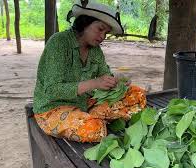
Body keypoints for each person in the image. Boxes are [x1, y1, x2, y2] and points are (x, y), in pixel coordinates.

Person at [33, 0, 145, 143]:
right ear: (85, 23)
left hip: (85, 102)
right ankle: (93, 118)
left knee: (137, 94)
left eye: (106, 32)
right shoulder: (59, 43)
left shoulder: (95, 50)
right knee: (94, 128)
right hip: (53, 109)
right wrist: (94, 83)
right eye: (100, 29)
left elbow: (105, 76)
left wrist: (117, 79)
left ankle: (91, 115)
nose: (103, 36)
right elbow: (51, 90)